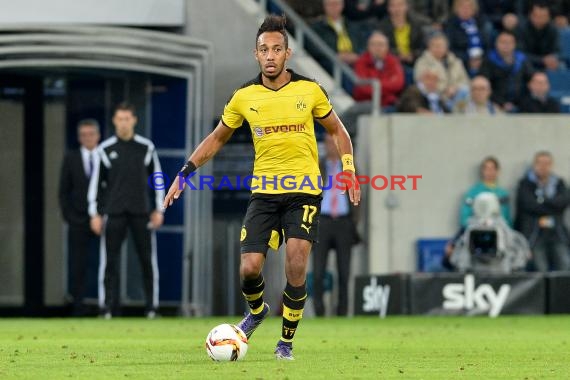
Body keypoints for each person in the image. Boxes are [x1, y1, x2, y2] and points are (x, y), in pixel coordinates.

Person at [163, 15, 360, 360]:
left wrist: (348, 169)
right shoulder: (244, 96)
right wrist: (186, 171)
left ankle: (285, 343)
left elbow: (338, 132)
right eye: (264, 50)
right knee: (249, 268)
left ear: (288, 53)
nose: (270, 55)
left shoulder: (309, 90)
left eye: (277, 49)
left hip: (303, 192)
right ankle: (256, 312)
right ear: (256, 55)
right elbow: (216, 138)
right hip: (264, 194)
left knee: (296, 264)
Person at [88, 102, 165, 319]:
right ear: (114, 121)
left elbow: (157, 180)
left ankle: (151, 307)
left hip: (141, 211)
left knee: (147, 260)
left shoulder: (146, 147)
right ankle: (107, 308)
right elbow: (96, 184)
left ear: (134, 120)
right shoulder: (104, 149)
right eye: (119, 119)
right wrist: (95, 213)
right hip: (114, 212)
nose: (123, 123)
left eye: (127, 118)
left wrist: (159, 209)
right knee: (109, 261)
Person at [312, 134, 359, 317]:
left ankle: (342, 311)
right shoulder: (318, 166)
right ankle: (319, 310)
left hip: (343, 222)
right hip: (321, 222)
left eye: (335, 143)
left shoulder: (350, 168)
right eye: (329, 143)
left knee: (344, 271)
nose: (332, 147)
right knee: (317, 271)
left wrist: (354, 221)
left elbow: (358, 195)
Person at [59, 119, 101, 316]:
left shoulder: (105, 156)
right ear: (78, 137)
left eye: (91, 134)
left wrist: (104, 214)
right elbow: (63, 191)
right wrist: (70, 217)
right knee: (78, 264)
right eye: (83, 135)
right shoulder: (71, 158)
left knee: (108, 263)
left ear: (98, 136)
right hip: (78, 220)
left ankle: (108, 305)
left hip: (102, 219)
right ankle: (78, 306)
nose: (87, 138)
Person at [515, 151, 570, 272]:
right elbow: (529, 205)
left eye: (546, 163)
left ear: (551, 165)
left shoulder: (559, 183)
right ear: (534, 165)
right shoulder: (525, 184)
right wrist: (551, 204)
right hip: (535, 235)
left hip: (557, 234)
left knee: (565, 265)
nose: (543, 167)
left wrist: (541, 200)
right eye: (540, 163)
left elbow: (563, 202)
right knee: (540, 269)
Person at [480, 30, 534, 112]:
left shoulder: (522, 60)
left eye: (509, 42)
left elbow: (531, 81)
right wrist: (501, 103)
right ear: (496, 44)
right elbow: (484, 84)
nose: (506, 45)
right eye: (503, 42)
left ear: (514, 44)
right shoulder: (488, 60)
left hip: (521, 103)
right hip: (494, 103)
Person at [413, 33, 470, 109]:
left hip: (456, 95)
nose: (439, 48)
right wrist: (445, 90)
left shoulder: (456, 62)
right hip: (436, 96)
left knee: (465, 90)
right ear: (429, 47)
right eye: (436, 46)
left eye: (441, 46)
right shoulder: (422, 62)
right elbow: (421, 84)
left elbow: (465, 81)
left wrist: (455, 88)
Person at [308, 0, 367, 72]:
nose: (333, 7)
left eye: (336, 4)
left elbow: (362, 44)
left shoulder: (352, 25)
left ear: (342, 5)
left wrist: (356, 56)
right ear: (324, 6)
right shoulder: (317, 28)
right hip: (331, 64)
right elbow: (314, 48)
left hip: (354, 62)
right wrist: (334, 56)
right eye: (330, 4)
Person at [353, 31, 405, 107]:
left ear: (387, 47)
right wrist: (388, 86)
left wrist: (376, 85)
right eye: (373, 45)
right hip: (367, 103)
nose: (377, 48)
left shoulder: (393, 61)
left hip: (389, 104)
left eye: (381, 45)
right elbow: (363, 88)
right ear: (368, 47)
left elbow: (398, 84)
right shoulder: (361, 62)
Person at [374, 0, 428, 68]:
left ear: (406, 7)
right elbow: (378, 48)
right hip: (391, 64)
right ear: (388, 8)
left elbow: (423, 47)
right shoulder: (382, 27)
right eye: (393, 6)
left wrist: (413, 55)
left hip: (415, 63)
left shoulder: (416, 24)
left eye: (400, 5)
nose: (397, 9)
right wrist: (397, 55)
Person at [460, 156, 511, 228]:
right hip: (476, 232)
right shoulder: (472, 193)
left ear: (498, 171)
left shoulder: (503, 194)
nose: (489, 172)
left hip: (498, 233)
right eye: (486, 169)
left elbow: (507, 218)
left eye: (492, 169)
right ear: (482, 171)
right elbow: (464, 218)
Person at [445, 0, 490, 65]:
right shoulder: (451, 25)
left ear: (474, 10)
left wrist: (482, 59)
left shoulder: (480, 23)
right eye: (462, 7)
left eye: (469, 7)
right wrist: (469, 59)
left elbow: (487, 45)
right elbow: (450, 49)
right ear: (456, 9)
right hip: (462, 62)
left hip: (482, 61)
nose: (466, 10)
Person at [517, 3, 560, 70]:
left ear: (549, 17)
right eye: (536, 16)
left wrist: (552, 58)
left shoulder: (553, 29)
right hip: (528, 62)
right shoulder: (522, 28)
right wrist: (541, 60)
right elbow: (520, 53)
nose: (539, 19)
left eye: (543, 16)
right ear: (530, 15)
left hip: (547, 63)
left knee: (561, 67)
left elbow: (557, 50)